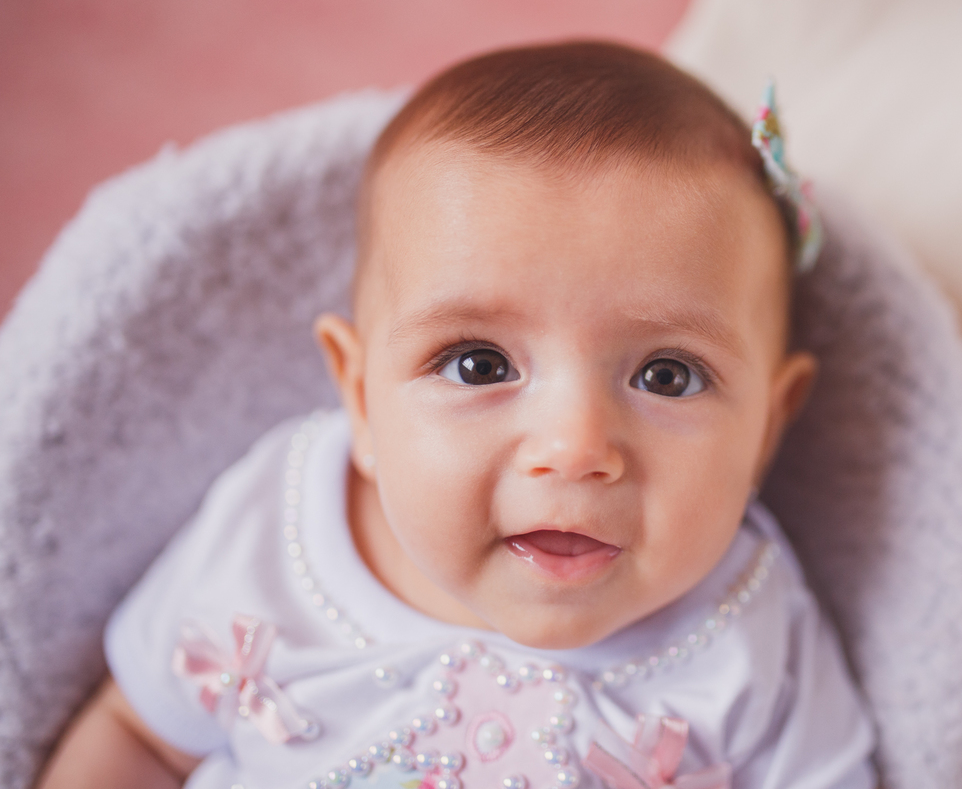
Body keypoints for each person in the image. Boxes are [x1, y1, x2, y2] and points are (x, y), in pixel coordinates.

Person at [38, 42, 876, 789]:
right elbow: (142, 738)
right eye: (480, 364)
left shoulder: (749, 633)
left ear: (766, 428)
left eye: (668, 375)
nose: (574, 448)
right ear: (361, 399)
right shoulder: (276, 534)